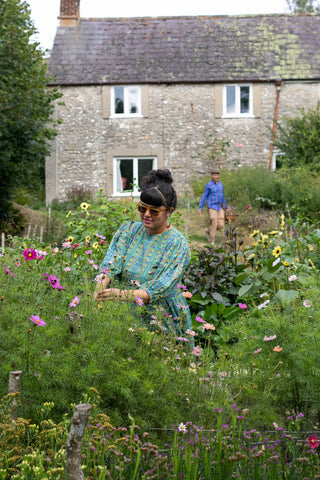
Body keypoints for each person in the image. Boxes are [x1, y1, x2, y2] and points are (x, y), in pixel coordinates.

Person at [95, 169, 193, 337]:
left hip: (162, 319)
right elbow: (110, 265)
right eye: (142, 208)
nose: (146, 215)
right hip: (124, 315)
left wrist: (121, 295)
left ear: (169, 211)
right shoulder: (129, 230)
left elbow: (161, 288)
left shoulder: (177, 244)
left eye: (154, 211)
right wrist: (98, 290)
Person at [197, 168, 231, 244]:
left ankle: (208, 231)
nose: (216, 176)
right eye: (214, 175)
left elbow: (222, 197)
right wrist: (200, 208)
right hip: (212, 207)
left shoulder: (220, 184)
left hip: (220, 206)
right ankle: (212, 241)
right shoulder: (208, 185)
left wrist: (226, 206)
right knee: (214, 222)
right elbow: (204, 196)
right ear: (212, 176)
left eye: (217, 175)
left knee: (221, 224)